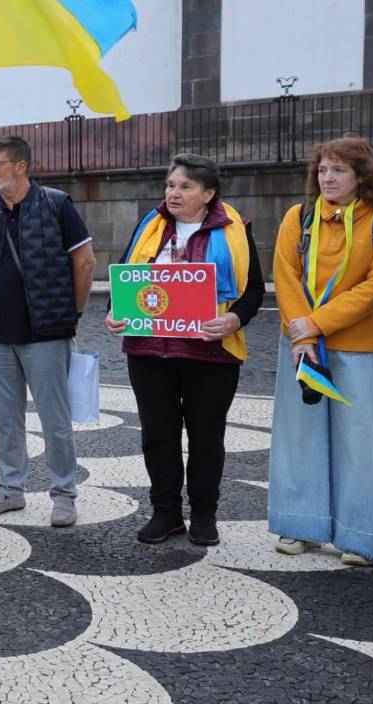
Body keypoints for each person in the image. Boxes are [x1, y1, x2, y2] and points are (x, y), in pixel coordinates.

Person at [105, 154, 265, 546]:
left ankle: (204, 515)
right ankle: (166, 513)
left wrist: (234, 320)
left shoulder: (235, 229)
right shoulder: (150, 225)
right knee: (157, 435)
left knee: (206, 437)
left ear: (208, 193)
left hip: (210, 353)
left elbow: (254, 290)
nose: (173, 194)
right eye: (170, 185)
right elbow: (126, 276)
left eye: (185, 187)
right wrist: (114, 310)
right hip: (149, 351)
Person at [267, 137, 373, 566]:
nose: (327, 178)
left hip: (360, 347)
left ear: (361, 176)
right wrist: (302, 335)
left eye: (339, 170)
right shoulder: (299, 216)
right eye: (323, 170)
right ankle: (301, 526)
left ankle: (360, 537)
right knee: (299, 437)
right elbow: (285, 276)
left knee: (358, 444)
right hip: (302, 344)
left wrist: (315, 323)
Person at [0, 135, 96, 528]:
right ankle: (10, 489)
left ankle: (63, 494)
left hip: (45, 332)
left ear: (20, 167)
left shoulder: (56, 204)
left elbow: (85, 262)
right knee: (6, 418)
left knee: (54, 419)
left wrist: (73, 314)